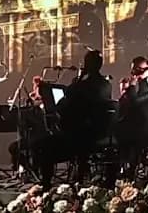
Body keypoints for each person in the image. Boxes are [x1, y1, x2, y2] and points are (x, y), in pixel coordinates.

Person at [38, 50, 113, 185]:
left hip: (81, 136)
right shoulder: (106, 84)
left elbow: (63, 104)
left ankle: (46, 185)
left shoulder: (82, 85)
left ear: (87, 64)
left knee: (43, 146)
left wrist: (80, 77)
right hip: (99, 132)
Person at [115, 56, 148, 178]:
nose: (134, 73)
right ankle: (132, 166)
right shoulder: (142, 84)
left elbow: (136, 102)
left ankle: (129, 168)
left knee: (123, 134)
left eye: (136, 70)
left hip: (146, 126)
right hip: (139, 124)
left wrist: (132, 87)